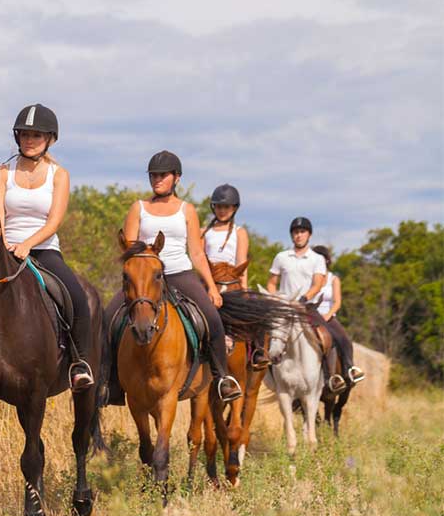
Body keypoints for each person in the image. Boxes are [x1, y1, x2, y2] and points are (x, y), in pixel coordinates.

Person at [118, 150, 243, 402]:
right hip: (145, 277)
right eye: (153, 175)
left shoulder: (187, 210)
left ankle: (222, 378)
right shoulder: (138, 208)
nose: (157, 179)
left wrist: (212, 287)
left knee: (212, 319)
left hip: (179, 272)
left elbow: (196, 252)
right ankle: (109, 380)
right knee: (110, 318)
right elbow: (129, 249)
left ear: (176, 178)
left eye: (163, 175)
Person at [0, 104, 94, 391]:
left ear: (49, 139)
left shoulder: (59, 175)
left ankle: (79, 363)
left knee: (78, 298)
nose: (29, 140)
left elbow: (54, 221)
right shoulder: (3, 172)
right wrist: (4, 242)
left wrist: (27, 244)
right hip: (5, 248)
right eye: (25, 134)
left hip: (45, 249)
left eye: (36, 135)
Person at [266, 217, 345, 392]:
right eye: (296, 232)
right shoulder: (281, 257)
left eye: (302, 232)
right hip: (284, 308)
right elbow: (271, 283)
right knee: (268, 335)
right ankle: (267, 373)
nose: (299, 235)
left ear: (309, 235)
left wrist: (303, 298)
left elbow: (317, 284)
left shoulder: (316, 259)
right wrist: (275, 298)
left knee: (327, 336)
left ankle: (330, 376)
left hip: (307, 307)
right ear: (291, 235)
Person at [202, 184, 269, 369]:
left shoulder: (240, 232)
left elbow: (241, 262)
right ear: (213, 207)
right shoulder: (204, 232)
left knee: (256, 309)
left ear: (234, 208)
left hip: (232, 280)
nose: (222, 210)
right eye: (219, 206)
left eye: (227, 207)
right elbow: (200, 259)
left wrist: (244, 288)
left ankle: (257, 351)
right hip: (211, 279)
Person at [311, 245, 365, 388]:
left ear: (327, 261)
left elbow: (337, 302)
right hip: (311, 316)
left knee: (344, 339)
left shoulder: (333, 279)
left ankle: (349, 369)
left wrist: (327, 315)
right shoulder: (309, 279)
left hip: (328, 317)